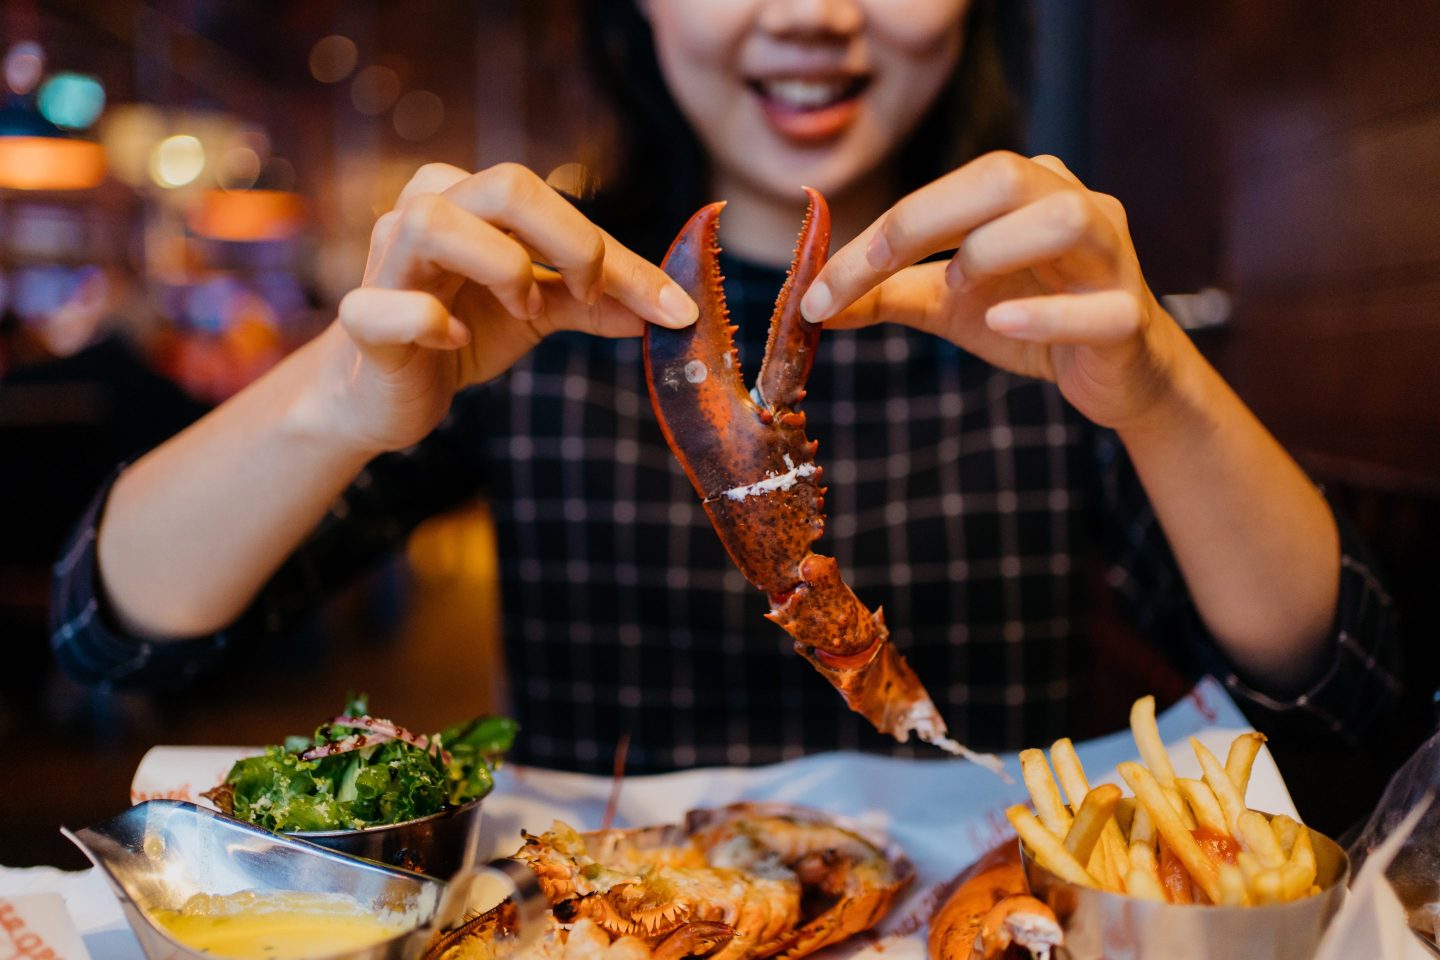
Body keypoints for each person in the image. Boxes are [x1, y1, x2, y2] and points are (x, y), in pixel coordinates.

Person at [51, 0, 1397, 772]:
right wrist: (331, 403)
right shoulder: (527, 302)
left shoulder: (1056, 292)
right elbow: (113, 635)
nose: (810, 12)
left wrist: (1161, 388)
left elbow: (1345, 697)